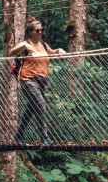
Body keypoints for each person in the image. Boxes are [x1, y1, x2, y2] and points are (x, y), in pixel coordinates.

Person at [8, 18, 67, 146]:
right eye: (37, 30)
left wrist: (59, 50)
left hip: (41, 81)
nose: (40, 32)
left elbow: (52, 53)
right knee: (40, 104)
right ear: (30, 32)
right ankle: (44, 137)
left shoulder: (43, 44)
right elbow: (11, 52)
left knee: (31, 108)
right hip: (28, 80)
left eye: (41, 30)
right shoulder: (26, 44)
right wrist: (24, 45)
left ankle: (18, 134)